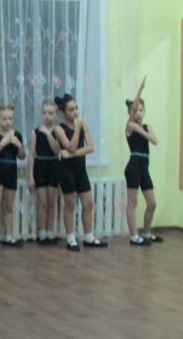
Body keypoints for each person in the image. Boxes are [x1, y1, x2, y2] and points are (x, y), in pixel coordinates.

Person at [54, 94, 108, 250]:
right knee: (70, 204)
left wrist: (72, 154)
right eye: (71, 110)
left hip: (80, 169)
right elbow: (70, 146)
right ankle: (70, 238)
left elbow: (90, 147)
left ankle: (88, 237)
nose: (75, 112)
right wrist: (77, 128)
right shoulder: (59, 129)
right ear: (63, 112)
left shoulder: (83, 125)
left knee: (88, 203)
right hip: (66, 170)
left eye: (76, 108)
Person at [124, 76, 162, 246]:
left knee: (152, 203)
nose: (138, 113)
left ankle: (146, 232)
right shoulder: (129, 125)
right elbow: (132, 112)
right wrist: (140, 89)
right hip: (133, 167)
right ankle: (134, 236)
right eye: (135, 110)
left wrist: (140, 130)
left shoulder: (146, 127)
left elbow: (154, 140)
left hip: (144, 168)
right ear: (131, 112)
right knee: (132, 202)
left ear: (144, 111)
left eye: (141, 110)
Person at [0, 105, 25, 250]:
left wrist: (19, 146)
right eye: (4, 119)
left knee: (9, 206)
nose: (8, 122)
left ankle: (8, 236)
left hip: (11, 172)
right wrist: (3, 143)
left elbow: (21, 156)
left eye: (10, 119)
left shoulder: (17, 135)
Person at [27, 101, 61, 245]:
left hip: (54, 166)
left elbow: (57, 149)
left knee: (52, 202)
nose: (47, 116)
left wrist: (48, 134)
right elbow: (31, 154)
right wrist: (30, 176)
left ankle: (50, 231)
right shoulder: (35, 132)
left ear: (56, 115)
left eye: (50, 113)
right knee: (42, 202)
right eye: (45, 113)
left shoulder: (59, 131)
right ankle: (41, 233)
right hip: (40, 167)